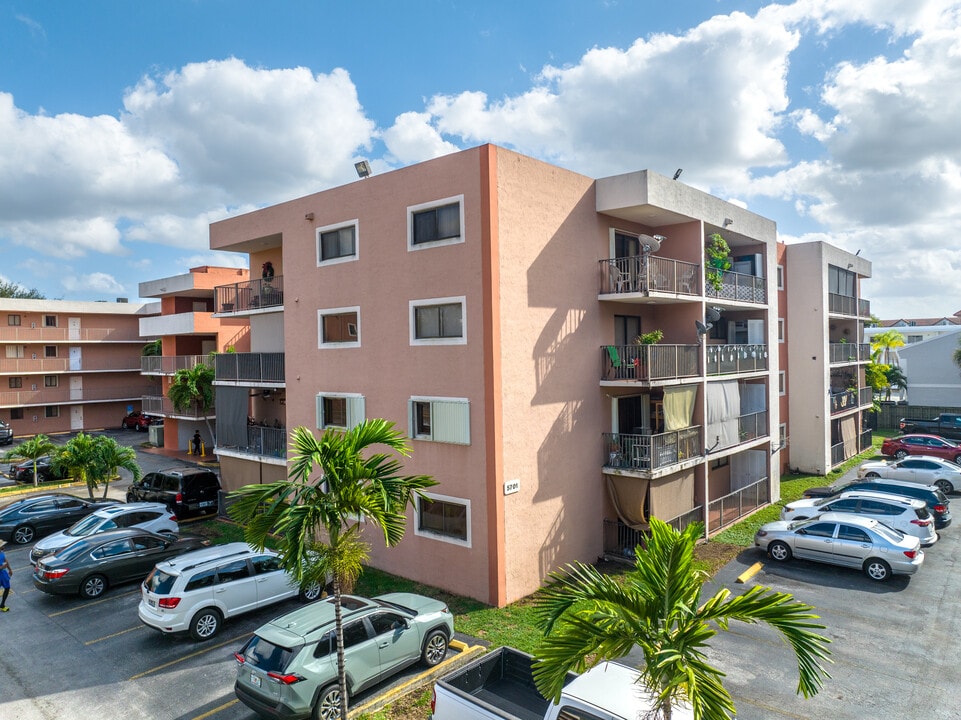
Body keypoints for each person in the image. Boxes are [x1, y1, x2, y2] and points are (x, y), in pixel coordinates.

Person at [0, 539, 12, 612]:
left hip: (3, 574)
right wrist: (2, 567)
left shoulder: (2, 552)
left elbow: (5, 560)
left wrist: (10, 569)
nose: (3, 546)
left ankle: (2, 605)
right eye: (2, 545)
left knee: (7, 588)